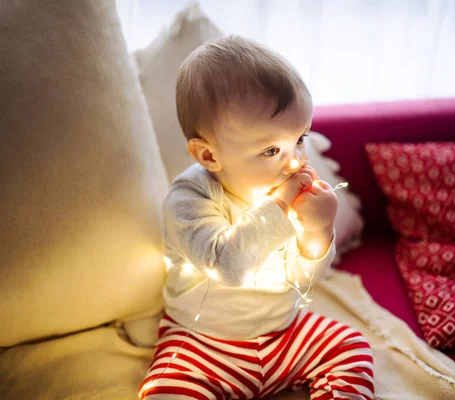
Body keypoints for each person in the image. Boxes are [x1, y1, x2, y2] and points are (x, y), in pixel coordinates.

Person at [139, 35, 374, 400]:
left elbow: (304, 279)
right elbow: (227, 266)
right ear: (209, 156)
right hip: (203, 343)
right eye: (270, 150)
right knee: (165, 392)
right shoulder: (189, 199)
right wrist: (280, 207)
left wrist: (318, 229)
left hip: (284, 331)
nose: (296, 161)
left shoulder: (285, 196)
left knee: (352, 347)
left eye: (299, 139)